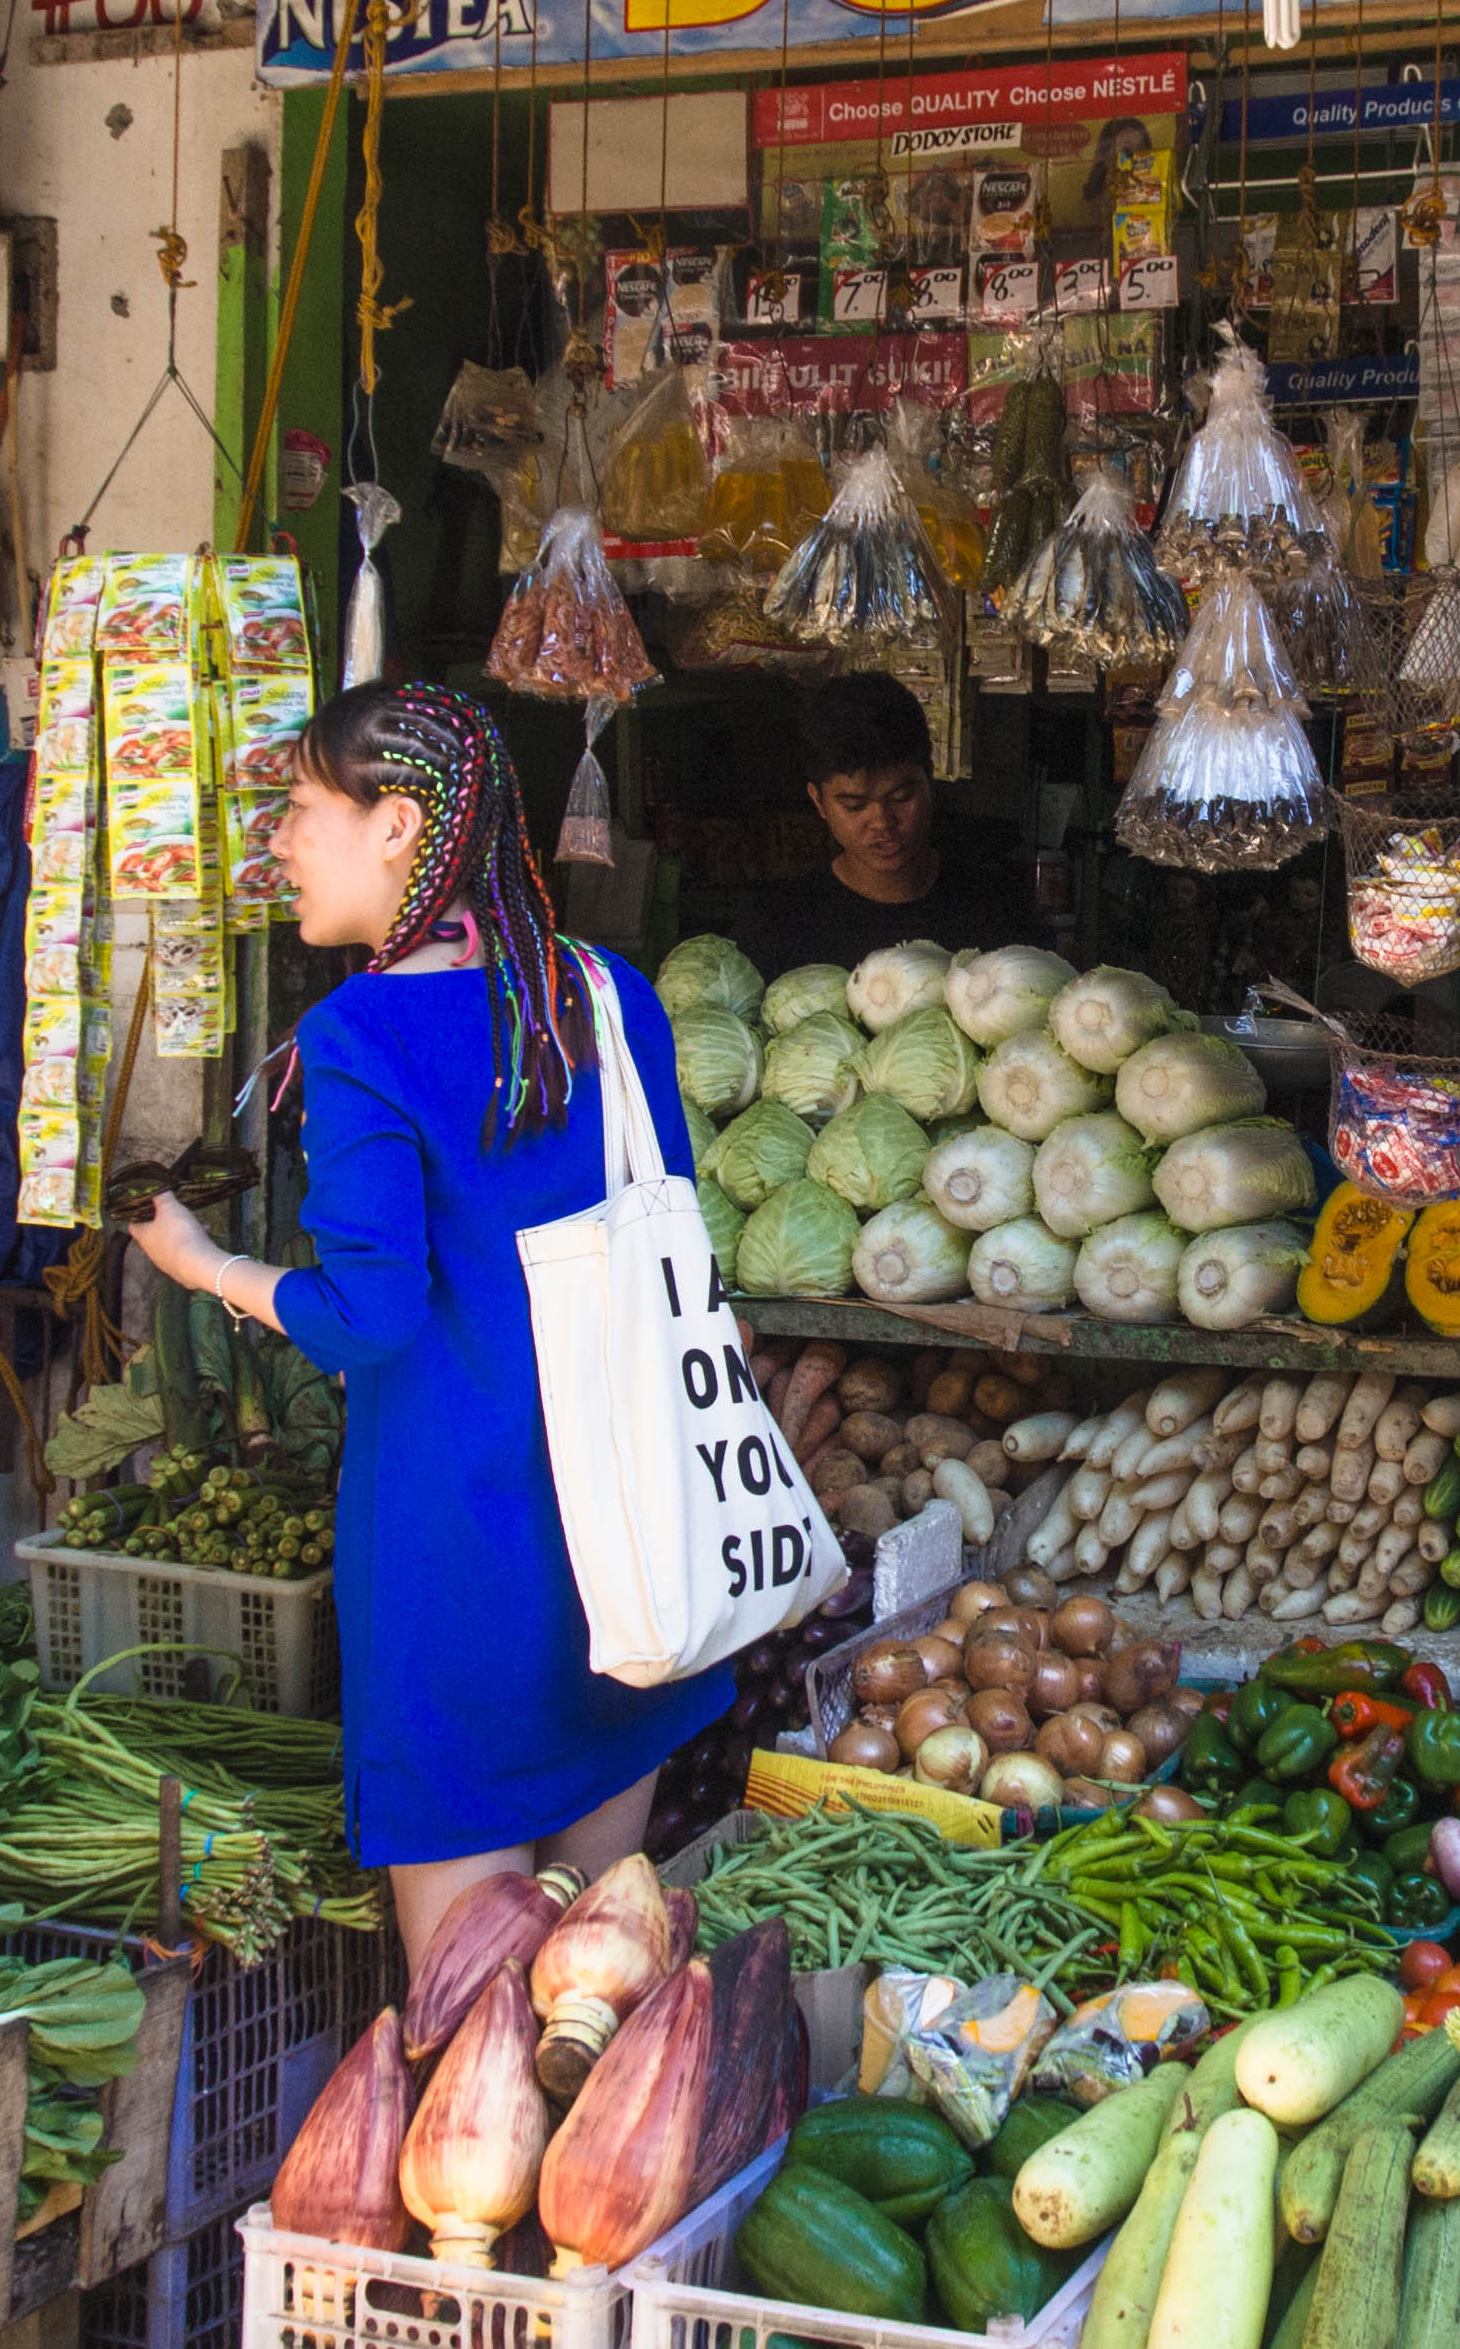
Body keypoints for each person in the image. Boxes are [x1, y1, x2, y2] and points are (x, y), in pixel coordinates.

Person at [126, 680, 724, 1962]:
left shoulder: (362, 1033)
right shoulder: (609, 994)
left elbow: (369, 1317)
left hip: (459, 1565)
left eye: (299, 809)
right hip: (628, 1550)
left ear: (396, 823)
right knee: (594, 1997)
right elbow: (673, 1226)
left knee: (473, 2025)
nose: (278, 841)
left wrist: (206, 1265)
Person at [725, 671, 1046, 974]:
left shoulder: (997, 905)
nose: (881, 822)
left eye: (901, 797)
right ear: (818, 801)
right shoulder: (778, 926)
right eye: (854, 806)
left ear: (929, 780)